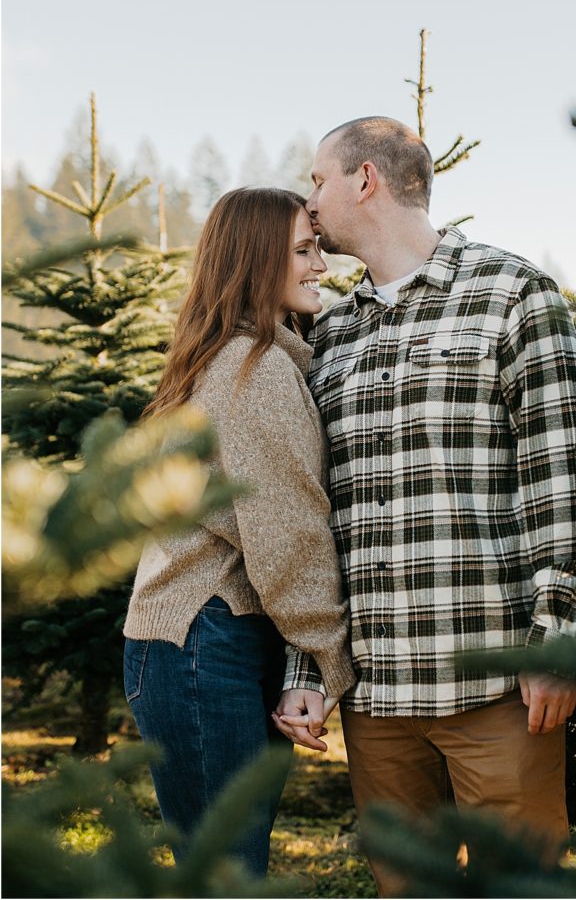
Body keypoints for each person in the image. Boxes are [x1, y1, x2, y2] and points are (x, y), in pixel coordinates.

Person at [273, 117, 576, 895]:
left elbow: (562, 477)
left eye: (318, 180)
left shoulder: (512, 293)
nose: (310, 201)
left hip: (496, 690)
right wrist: (309, 666)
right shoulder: (333, 335)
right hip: (378, 700)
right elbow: (314, 518)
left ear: (366, 179)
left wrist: (557, 638)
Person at [123, 186, 355, 876]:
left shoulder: (232, 355)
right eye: (304, 251)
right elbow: (289, 532)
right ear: (257, 260)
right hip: (205, 644)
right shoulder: (252, 368)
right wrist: (324, 660)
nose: (321, 268)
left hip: (193, 642)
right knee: (227, 873)